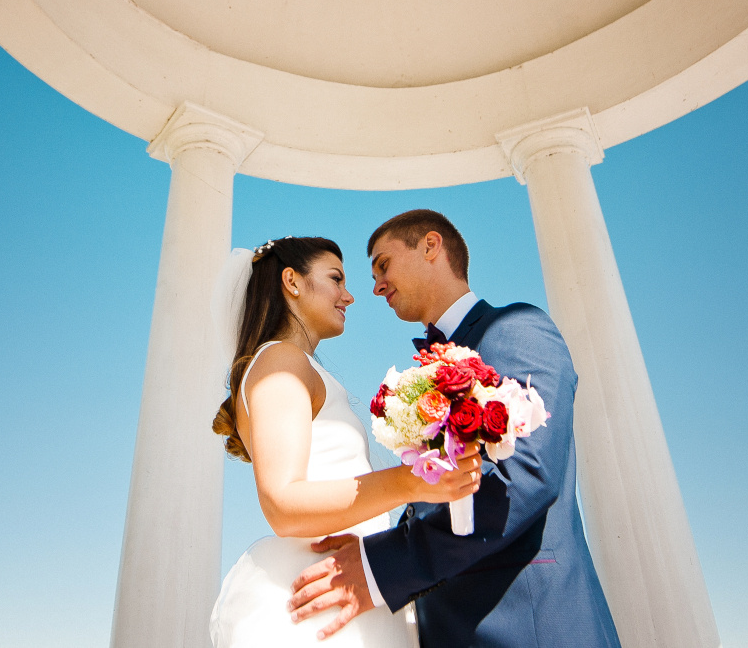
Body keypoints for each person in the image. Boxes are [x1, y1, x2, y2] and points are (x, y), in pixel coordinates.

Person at [288, 210, 622, 648]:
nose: (376, 287)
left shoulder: (516, 328)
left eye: (383, 265)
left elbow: (524, 476)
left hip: (532, 628)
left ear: (431, 246)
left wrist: (381, 566)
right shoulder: (424, 372)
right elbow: (441, 490)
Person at [208, 236, 481, 647]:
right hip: (317, 601)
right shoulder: (281, 360)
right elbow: (282, 505)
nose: (349, 296)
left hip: (345, 585)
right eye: (336, 278)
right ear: (292, 281)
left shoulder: (290, 363)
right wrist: (413, 482)